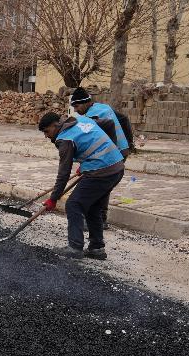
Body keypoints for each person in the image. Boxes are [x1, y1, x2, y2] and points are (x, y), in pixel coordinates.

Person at [38, 112, 125, 259]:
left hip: (101, 171)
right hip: (117, 166)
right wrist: (99, 156)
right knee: (93, 206)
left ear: (55, 125)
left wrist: (53, 199)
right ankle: (96, 248)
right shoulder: (81, 119)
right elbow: (109, 124)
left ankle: (75, 247)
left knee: (74, 204)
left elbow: (64, 173)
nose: (46, 136)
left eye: (47, 131)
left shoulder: (64, 139)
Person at [70, 87, 135, 228]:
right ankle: (101, 219)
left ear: (85, 103)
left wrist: (83, 164)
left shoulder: (94, 116)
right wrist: (129, 143)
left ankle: (97, 219)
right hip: (120, 150)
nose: (75, 110)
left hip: (112, 154)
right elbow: (123, 119)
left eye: (76, 106)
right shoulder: (103, 107)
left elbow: (92, 142)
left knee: (98, 185)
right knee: (104, 186)